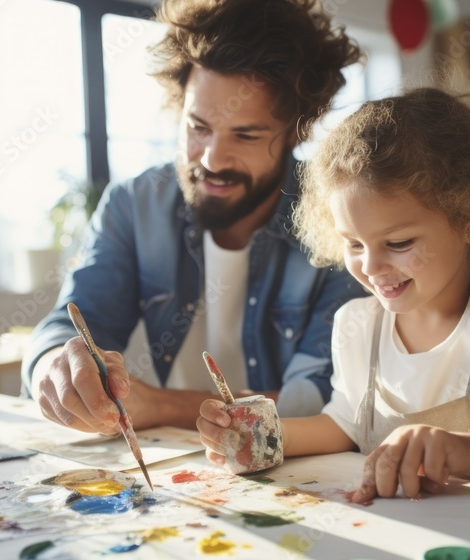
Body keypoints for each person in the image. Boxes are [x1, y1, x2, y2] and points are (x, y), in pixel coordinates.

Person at [197, 77, 470, 501]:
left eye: (398, 243)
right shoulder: (357, 325)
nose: (371, 267)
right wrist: (258, 436)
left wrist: (460, 450)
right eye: (354, 244)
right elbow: (344, 423)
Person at [23, 0, 366, 434]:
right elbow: (71, 326)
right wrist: (56, 365)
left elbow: (324, 401)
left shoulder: (342, 220)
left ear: (298, 130)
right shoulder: (134, 205)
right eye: (198, 127)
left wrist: (161, 407)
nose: (212, 160)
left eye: (246, 135)